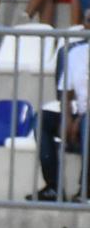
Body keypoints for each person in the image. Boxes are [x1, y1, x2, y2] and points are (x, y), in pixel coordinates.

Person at [30, 13, 89, 200]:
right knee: (42, 119)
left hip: (86, 118)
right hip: (81, 114)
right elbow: (66, 91)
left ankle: (86, 189)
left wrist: (80, 119)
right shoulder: (74, 53)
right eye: (89, 21)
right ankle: (53, 186)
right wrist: (67, 117)